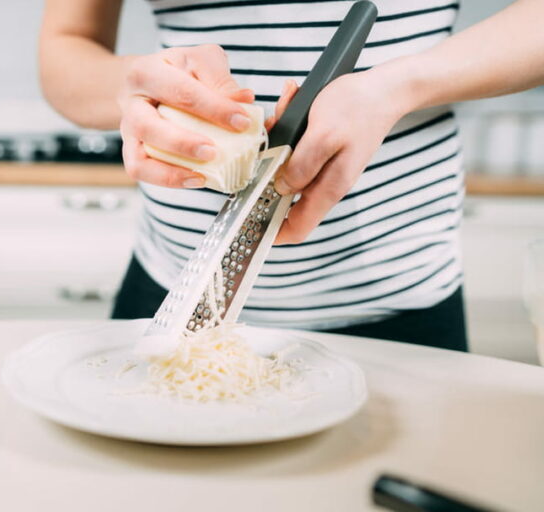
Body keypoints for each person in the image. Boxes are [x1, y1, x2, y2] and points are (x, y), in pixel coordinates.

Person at [39, 0, 544, 351]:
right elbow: (66, 48)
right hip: (173, 288)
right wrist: (133, 85)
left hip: (403, 295)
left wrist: (398, 84)